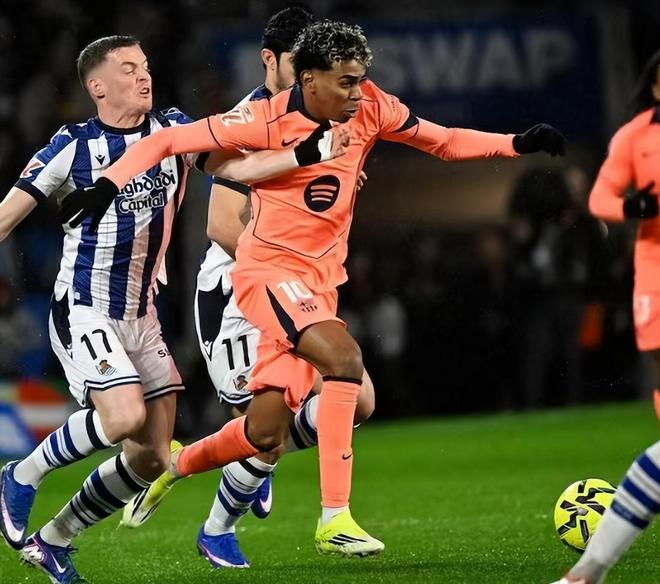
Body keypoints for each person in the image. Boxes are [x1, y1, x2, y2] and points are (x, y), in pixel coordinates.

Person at [61, 20, 565, 559]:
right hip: (265, 272)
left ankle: (177, 469)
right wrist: (107, 185)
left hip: (321, 283)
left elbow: (442, 141)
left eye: (360, 79)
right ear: (309, 80)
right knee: (345, 361)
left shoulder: (370, 106)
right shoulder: (262, 119)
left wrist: (516, 144)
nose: (358, 92)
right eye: (346, 82)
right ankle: (334, 518)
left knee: (264, 433)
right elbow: (167, 140)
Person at [0, 35, 347, 584]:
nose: (144, 75)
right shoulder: (72, 146)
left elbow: (237, 171)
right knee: (123, 417)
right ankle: (21, 475)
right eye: (128, 68)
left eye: (145, 65)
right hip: (86, 306)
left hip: (143, 315)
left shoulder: (172, 130)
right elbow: (6, 216)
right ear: (97, 87)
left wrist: (305, 155)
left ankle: (53, 540)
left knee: (151, 458)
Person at [120, 7, 376, 570]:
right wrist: (291, 281)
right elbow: (221, 226)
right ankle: (219, 528)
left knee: (355, 400)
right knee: (270, 433)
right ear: (271, 60)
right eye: (300, 62)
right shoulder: (250, 120)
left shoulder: (329, 117)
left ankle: (196, 464)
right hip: (238, 296)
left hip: (295, 289)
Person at [549, 49, 660, 584]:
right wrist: (634, 208)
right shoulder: (635, 137)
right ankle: (586, 574)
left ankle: (585, 574)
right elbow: (601, 197)